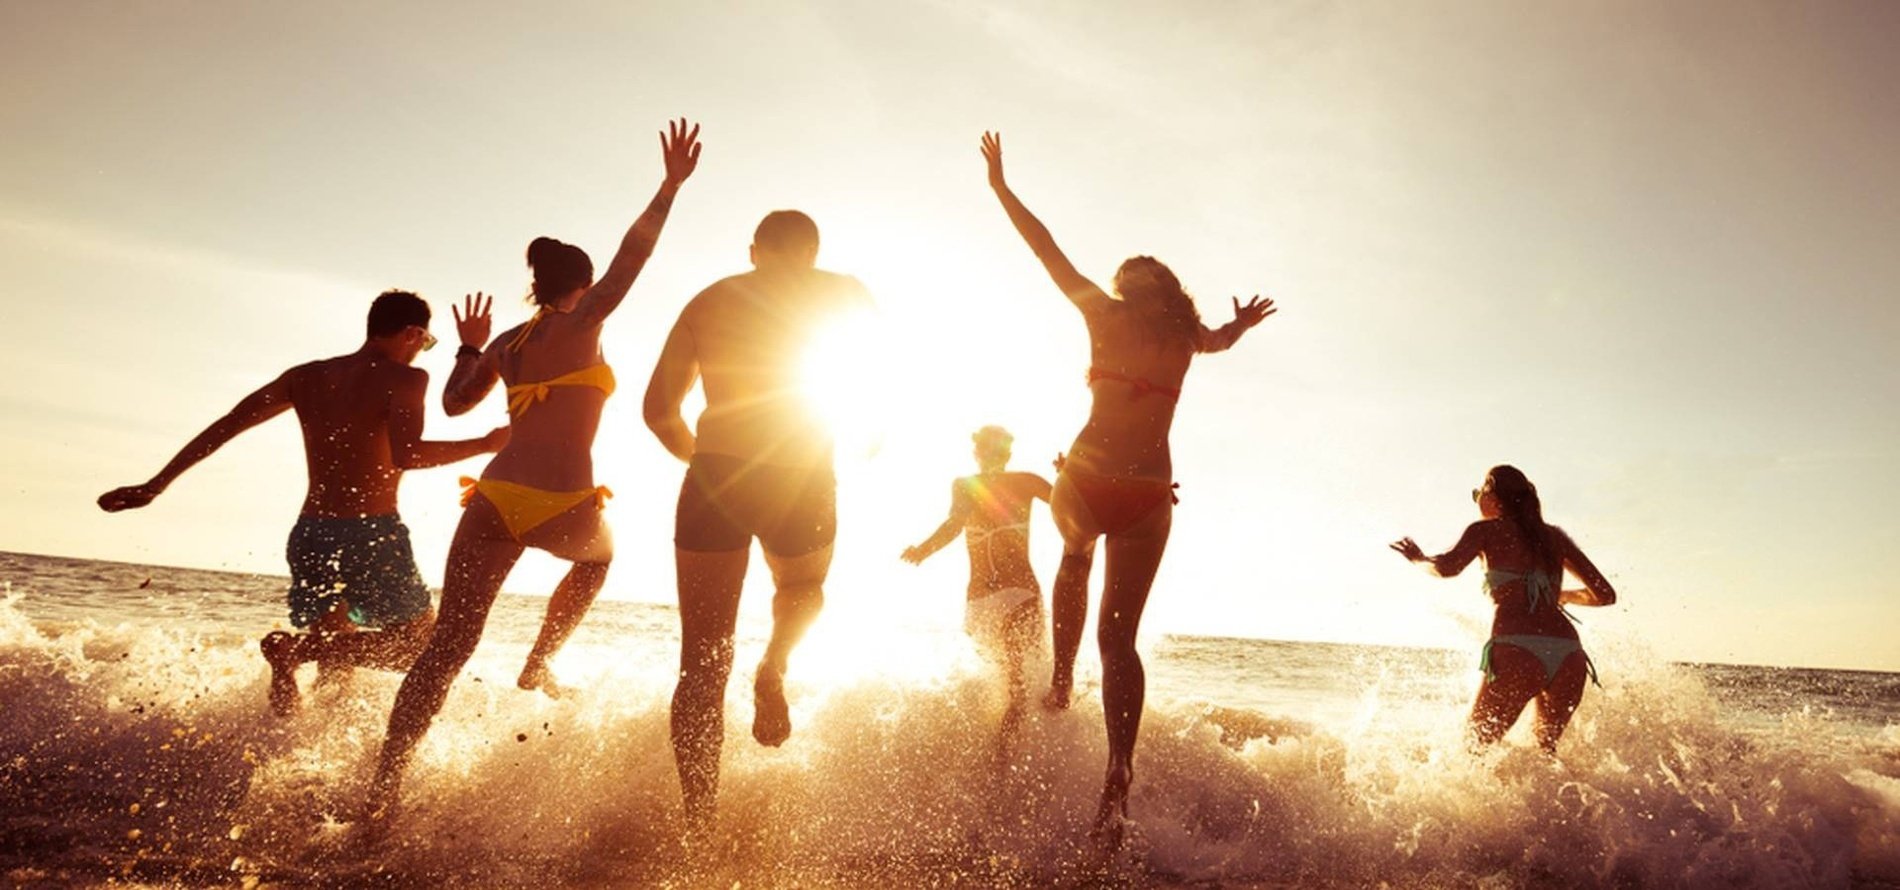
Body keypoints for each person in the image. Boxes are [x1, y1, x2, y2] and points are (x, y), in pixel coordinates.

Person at [367, 119, 701, 815]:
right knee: (598, 561)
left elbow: (457, 406)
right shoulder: (583, 325)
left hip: (494, 499)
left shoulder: (509, 345)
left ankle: (385, 784)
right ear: (580, 284)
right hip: (562, 500)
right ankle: (540, 657)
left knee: (446, 650)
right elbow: (632, 260)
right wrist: (668, 187)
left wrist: (467, 347)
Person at [979, 131, 1278, 846]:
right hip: (1149, 492)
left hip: (1085, 478)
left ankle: (1057, 683)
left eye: (1125, 269)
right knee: (1122, 643)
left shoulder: (1104, 315)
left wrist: (999, 187)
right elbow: (1222, 342)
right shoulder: (1186, 335)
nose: (1122, 275)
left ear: (1130, 286)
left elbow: (1045, 248)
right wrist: (1238, 322)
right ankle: (1119, 764)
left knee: (1075, 558)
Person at [98, 290, 509, 715]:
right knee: (416, 648)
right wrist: (485, 443)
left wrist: (158, 483)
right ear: (412, 333)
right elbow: (409, 454)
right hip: (369, 534)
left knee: (336, 656)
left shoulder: (307, 376)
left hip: (311, 534)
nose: (422, 354)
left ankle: (312, 760)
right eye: (426, 344)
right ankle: (293, 650)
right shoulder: (405, 379)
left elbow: (227, 425)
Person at [644, 208, 875, 832]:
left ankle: (699, 825)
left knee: (701, 661)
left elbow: (658, 409)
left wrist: (706, 462)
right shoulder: (844, 291)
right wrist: (867, 436)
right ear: (812, 250)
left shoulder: (707, 300)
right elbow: (873, 380)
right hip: (803, 471)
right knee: (801, 587)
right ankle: (774, 662)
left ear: (754, 250)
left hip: (716, 473)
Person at [1389, 465, 1617, 752]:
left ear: (1492, 494)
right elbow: (1605, 594)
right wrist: (1561, 596)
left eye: (1478, 493)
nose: (1477, 501)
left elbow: (1447, 568)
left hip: (1518, 649)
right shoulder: (1554, 538)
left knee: (1475, 750)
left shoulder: (1485, 531)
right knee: (1545, 754)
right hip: (1568, 655)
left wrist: (1418, 559)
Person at [901, 425, 1051, 758]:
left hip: (980, 601)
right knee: (1028, 685)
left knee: (1000, 682)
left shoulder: (964, 485)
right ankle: (1009, 763)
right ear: (1008, 453)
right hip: (1019, 592)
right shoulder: (1027, 481)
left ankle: (989, 762)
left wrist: (922, 551)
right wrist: (1071, 473)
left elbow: (954, 524)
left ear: (977, 452)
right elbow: (1073, 507)